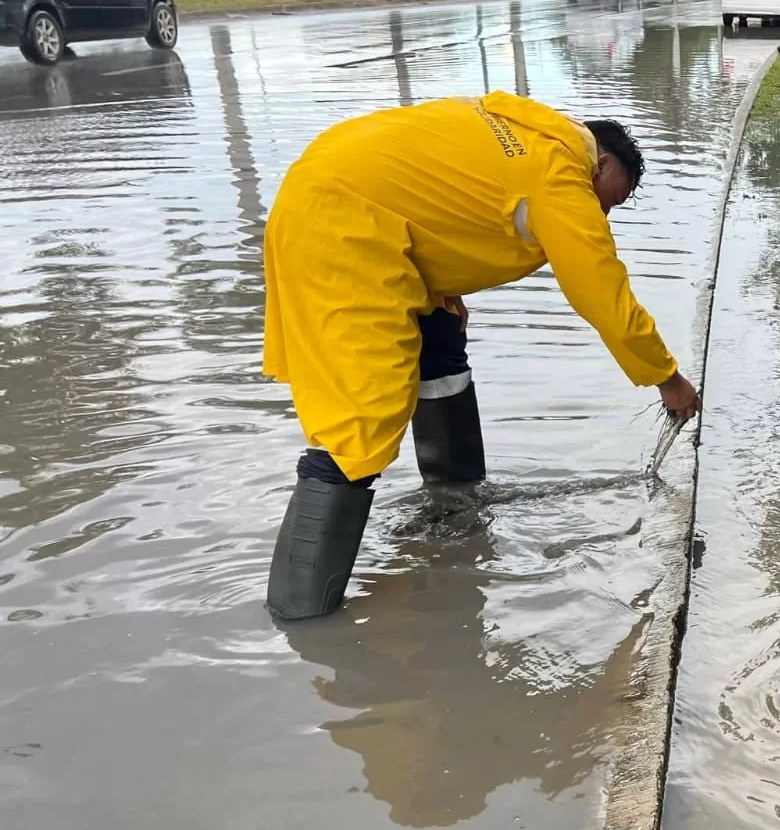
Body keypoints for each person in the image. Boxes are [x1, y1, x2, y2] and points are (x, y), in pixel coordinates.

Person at [262, 92, 700, 620]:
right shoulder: (560, 171)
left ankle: (455, 511)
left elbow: (436, 195)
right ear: (601, 161)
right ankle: (300, 612)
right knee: (358, 424)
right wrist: (666, 377)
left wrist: (441, 280)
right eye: (611, 198)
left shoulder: (522, 128)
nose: (603, 214)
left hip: (339, 201)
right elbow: (601, 292)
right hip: (342, 231)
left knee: (440, 346)